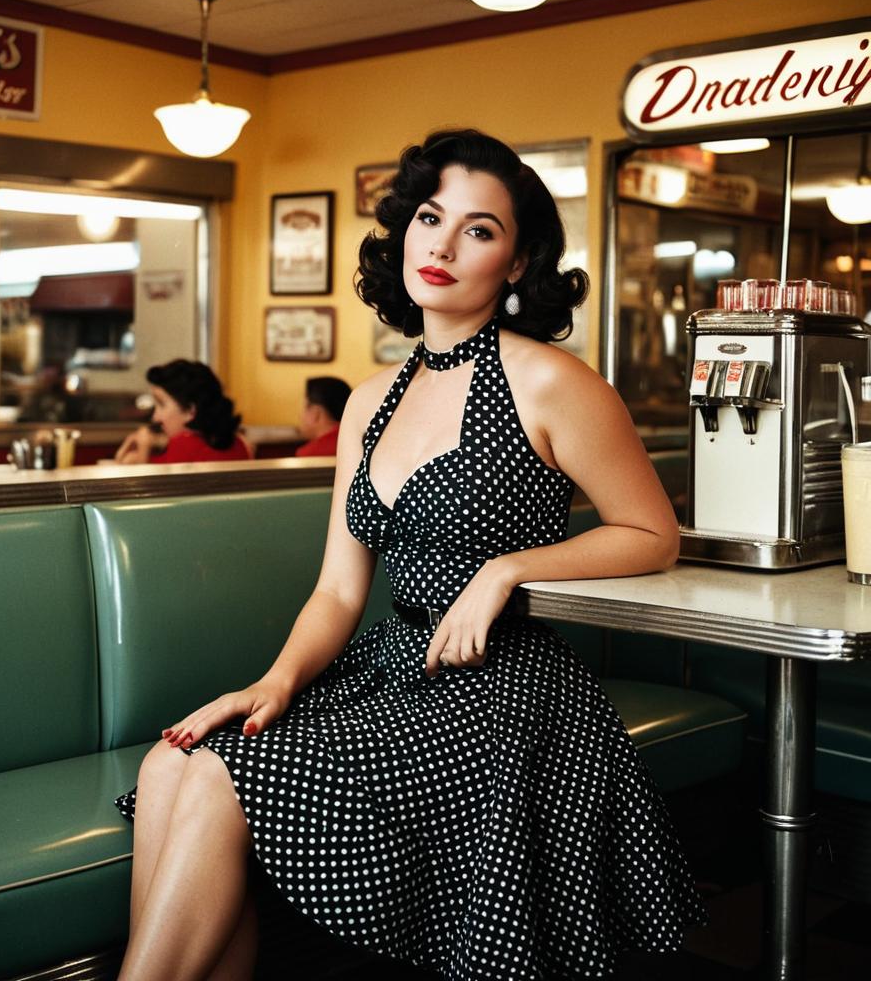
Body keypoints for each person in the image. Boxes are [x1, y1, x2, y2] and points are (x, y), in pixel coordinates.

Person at [113, 129, 708, 981]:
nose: (442, 244)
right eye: (430, 218)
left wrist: (507, 570)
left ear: (516, 262)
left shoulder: (550, 381)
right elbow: (336, 589)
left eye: (479, 229)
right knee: (170, 762)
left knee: (214, 779)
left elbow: (653, 535)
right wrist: (272, 683)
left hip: (503, 688)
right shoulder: (369, 401)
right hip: (391, 668)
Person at [114, 359, 252, 465]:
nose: (155, 417)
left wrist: (143, 447)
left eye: (161, 405)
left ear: (190, 411)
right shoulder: (241, 444)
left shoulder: (181, 447)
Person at [295, 375, 351, 457]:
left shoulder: (308, 454)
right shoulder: (356, 442)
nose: (300, 416)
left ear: (316, 413)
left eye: (305, 408)